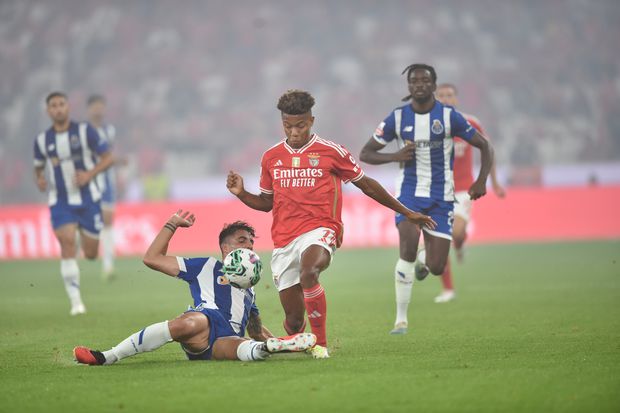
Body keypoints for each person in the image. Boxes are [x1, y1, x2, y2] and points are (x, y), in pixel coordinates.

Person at [226, 89, 436, 358]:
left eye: (300, 125)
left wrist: (407, 212)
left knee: (309, 271)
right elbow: (267, 203)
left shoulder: (331, 152)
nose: (294, 132)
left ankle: (320, 345)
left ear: (311, 121)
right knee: (293, 321)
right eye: (288, 126)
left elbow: (367, 185)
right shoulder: (271, 157)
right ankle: (299, 339)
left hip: (321, 229)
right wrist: (242, 193)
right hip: (284, 240)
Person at [73, 210, 316, 365]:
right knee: (191, 322)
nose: (249, 246)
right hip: (203, 325)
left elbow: (255, 329)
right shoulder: (205, 266)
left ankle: (270, 349)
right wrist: (172, 224)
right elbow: (152, 258)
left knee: (242, 347)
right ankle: (107, 356)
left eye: (251, 243)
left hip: (226, 339)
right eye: (242, 240)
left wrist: (284, 343)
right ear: (225, 248)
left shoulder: (249, 289)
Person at [359, 64, 494, 334]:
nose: (419, 84)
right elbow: (366, 153)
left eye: (425, 80)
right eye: (414, 81)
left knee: (436, 266)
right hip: (409, 195)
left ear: (433, 85)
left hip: (441, 198)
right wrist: (394, 156)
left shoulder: (449, 117)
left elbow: (484, 146)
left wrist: (481, 181)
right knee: (406, 250)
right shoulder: (397, 118)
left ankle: (425, 260)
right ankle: (400, 320)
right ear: (408, 86)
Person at [33, 92, 114, 315]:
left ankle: (79, 236)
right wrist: (39, 179)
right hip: (61, 201)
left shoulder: (85, 131)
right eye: (53, 105)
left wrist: (89, 174)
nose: (58, 109)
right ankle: (76, 303)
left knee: (90, 254)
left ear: (68, 107)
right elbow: (38, 166)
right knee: (67, 243)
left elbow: (108, 158)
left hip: (89, 199)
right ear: (48, 111)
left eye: (61, 104)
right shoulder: (42, 140)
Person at [434, 83, 506, 303]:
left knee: (456, 233)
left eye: (449, 95)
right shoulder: (428, 125)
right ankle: (448, 290)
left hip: (463, 189)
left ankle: (460, 243)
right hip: (437, 191)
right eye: (441, 95)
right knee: (439, 240)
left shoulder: (469, 122)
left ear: (456, 99)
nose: (445, 99)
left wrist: (493, 182)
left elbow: (487, 149)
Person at [87, 94, 119, 280]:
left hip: (106, 181)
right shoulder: (82, 131)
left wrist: (118, 161)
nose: (98, 110)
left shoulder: (109, 130)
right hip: (88, 181)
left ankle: (108, 265)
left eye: (101, 106)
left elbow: (109, 155)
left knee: (108, 221)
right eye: (95, 106)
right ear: (89, 109)